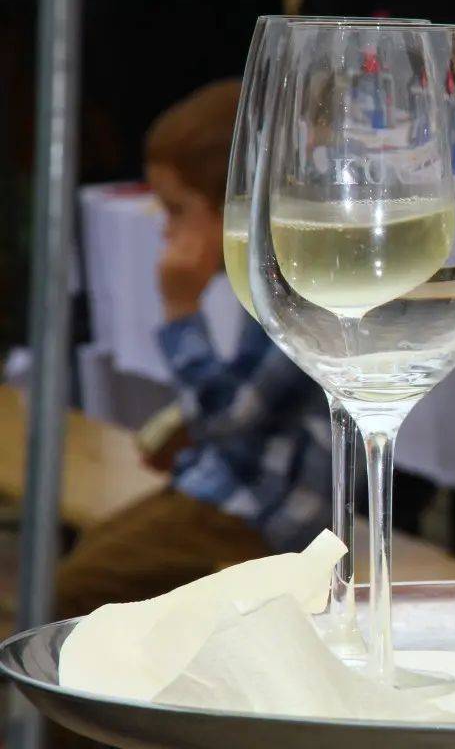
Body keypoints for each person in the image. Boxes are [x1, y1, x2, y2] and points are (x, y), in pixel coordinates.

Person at [54, 80, 333, 621]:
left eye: (178, 211)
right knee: (89, 558)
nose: (167, 233)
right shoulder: (269, 270)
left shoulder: (302, 285)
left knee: (77, 591)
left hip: (264, 516)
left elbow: (231, 417)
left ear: (236, 207)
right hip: (228, 484)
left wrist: (181, 312)